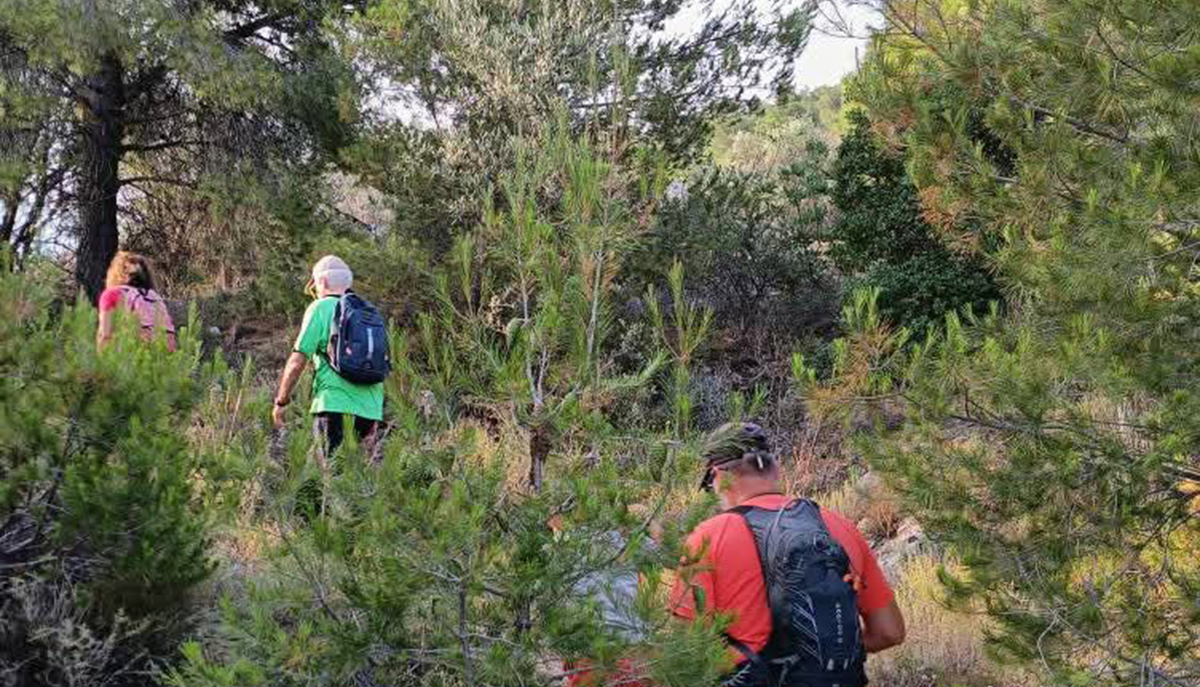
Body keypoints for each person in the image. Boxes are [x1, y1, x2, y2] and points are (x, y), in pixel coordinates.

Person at [670, 422, 905, 687]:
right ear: (776, 468)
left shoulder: (706, 538)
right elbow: (890, 632)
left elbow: (683, 656)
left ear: (718, 476)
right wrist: (817, 654)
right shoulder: (839, 527)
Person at [272, 255, 384, 458]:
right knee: (362, 481)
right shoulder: (368, 312)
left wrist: (281, 402)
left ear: (321, 282)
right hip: (371, 409)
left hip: (333, 405)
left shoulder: (321, 308)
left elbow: (297, 362)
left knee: (331, 478)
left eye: (314, 288)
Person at [96, 251, 177, 351]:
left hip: (129, 358)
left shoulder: (112, 294)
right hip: (162, 359)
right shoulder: (155, 298)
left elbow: (105, 335)